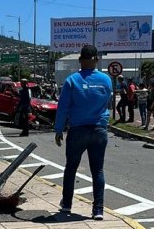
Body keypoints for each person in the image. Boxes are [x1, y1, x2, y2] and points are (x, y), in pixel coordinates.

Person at [54, 45, 112, 221]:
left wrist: (58, 129)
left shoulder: (72, 80)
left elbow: (63, 107)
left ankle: (67, 204)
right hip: (99, 129)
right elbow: (107, 103)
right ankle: (98, 209)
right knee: (98, 170)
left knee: (71, 168)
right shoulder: (106, 80)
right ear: (96, 59)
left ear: (80, 60)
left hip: (78, 129)